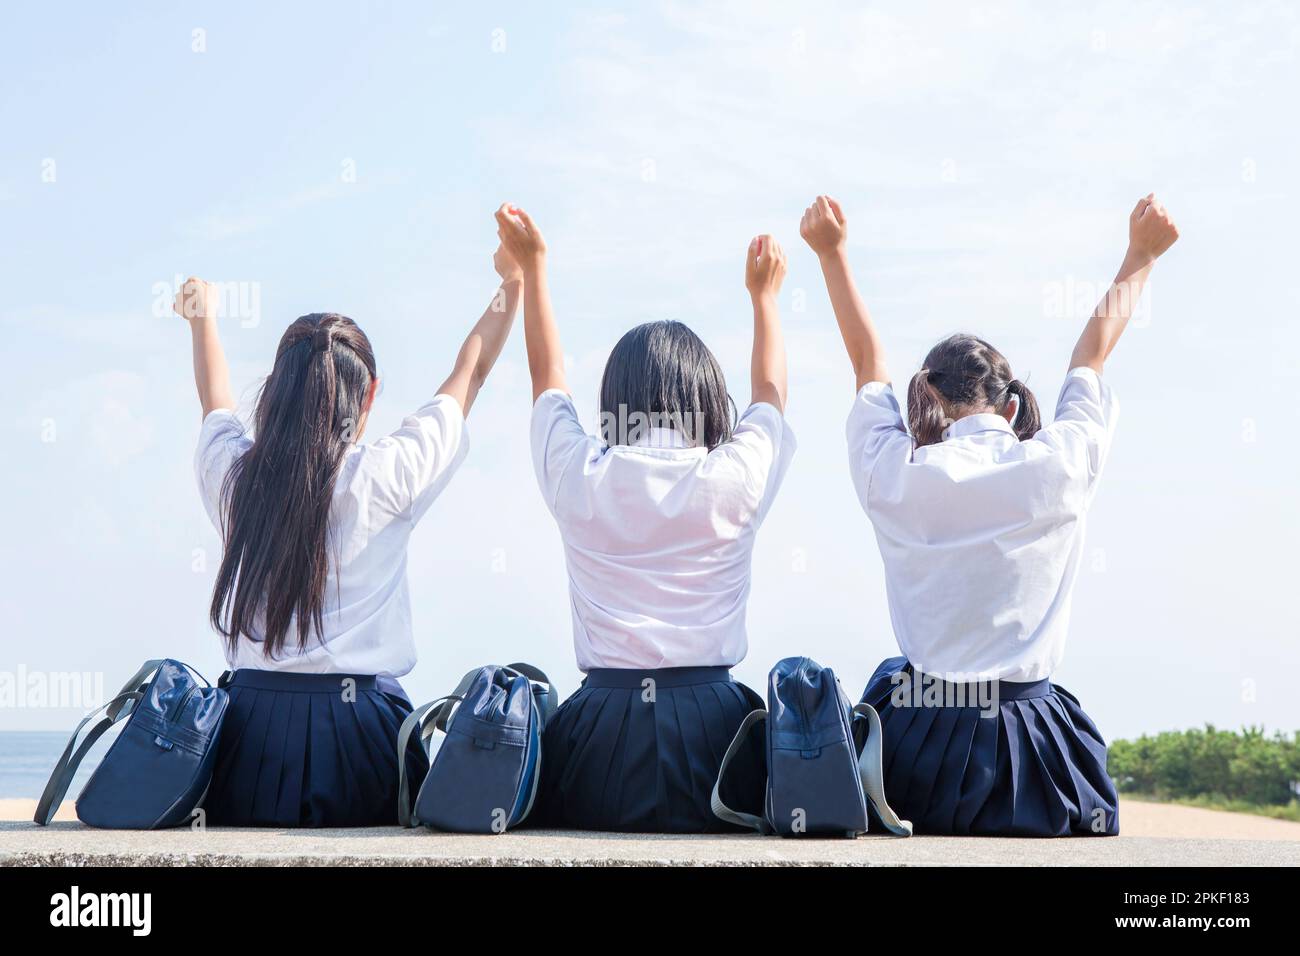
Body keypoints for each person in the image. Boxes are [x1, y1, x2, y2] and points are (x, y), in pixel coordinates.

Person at [801, 193, 1179, 835]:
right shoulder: (1058, 464)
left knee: (892, 677)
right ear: (1010, 409)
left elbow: (868, 367)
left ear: (926, 400)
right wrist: (1140, 255)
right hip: (1031, 754)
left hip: (916, 748)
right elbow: (1090, 358)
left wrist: (831, 253)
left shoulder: (892, 472)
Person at [177, 240, 522, 826]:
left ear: (276, 396)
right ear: (367, 397)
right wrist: (514, 281)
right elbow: (472, 372)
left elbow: (213, 401)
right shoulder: (389, 472)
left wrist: (201, 316)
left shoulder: (235, 476)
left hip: (248, 741)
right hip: (364, 740)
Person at [495, 203, 795, 831]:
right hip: (718, 738)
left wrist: (534, 267)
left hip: (599, 736)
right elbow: (770, 395)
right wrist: (764, 297)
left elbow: (548, 377)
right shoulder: (732, 475)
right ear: (709, 400)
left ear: (615, 402)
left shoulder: (581, 472)